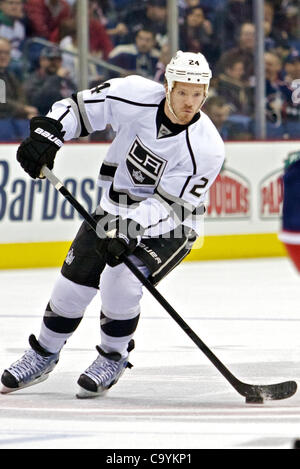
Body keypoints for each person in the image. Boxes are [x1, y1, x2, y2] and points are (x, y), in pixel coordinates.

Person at [1, 50, 225, 398]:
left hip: (169, 226)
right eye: (182, 92)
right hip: (112, 209)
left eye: (198, 94)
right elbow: (79, 108)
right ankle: (43, 354)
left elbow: (168, 205)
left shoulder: (207, 148)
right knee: (69, 289)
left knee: (119, 279)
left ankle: (113, 357)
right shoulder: (134, 94)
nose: (189, 102)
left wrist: (128, 230)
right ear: (167, 86)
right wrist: (51, 133)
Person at [0, 36, 38, 141]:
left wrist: (25, 111)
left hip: (13, 118)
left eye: (6, 53)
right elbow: (2, 102)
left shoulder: (10, 75)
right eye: (0, 52)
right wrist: (24, 110)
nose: (3, 56)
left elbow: (21, 96)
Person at [24, 45, 76, 116]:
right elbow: (38, 101)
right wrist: (57, 78)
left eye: (58, 60)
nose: (55, 63)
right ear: (41, 60)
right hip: (45, 118)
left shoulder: (65, 79)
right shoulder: (35, 78)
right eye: (51, 59)